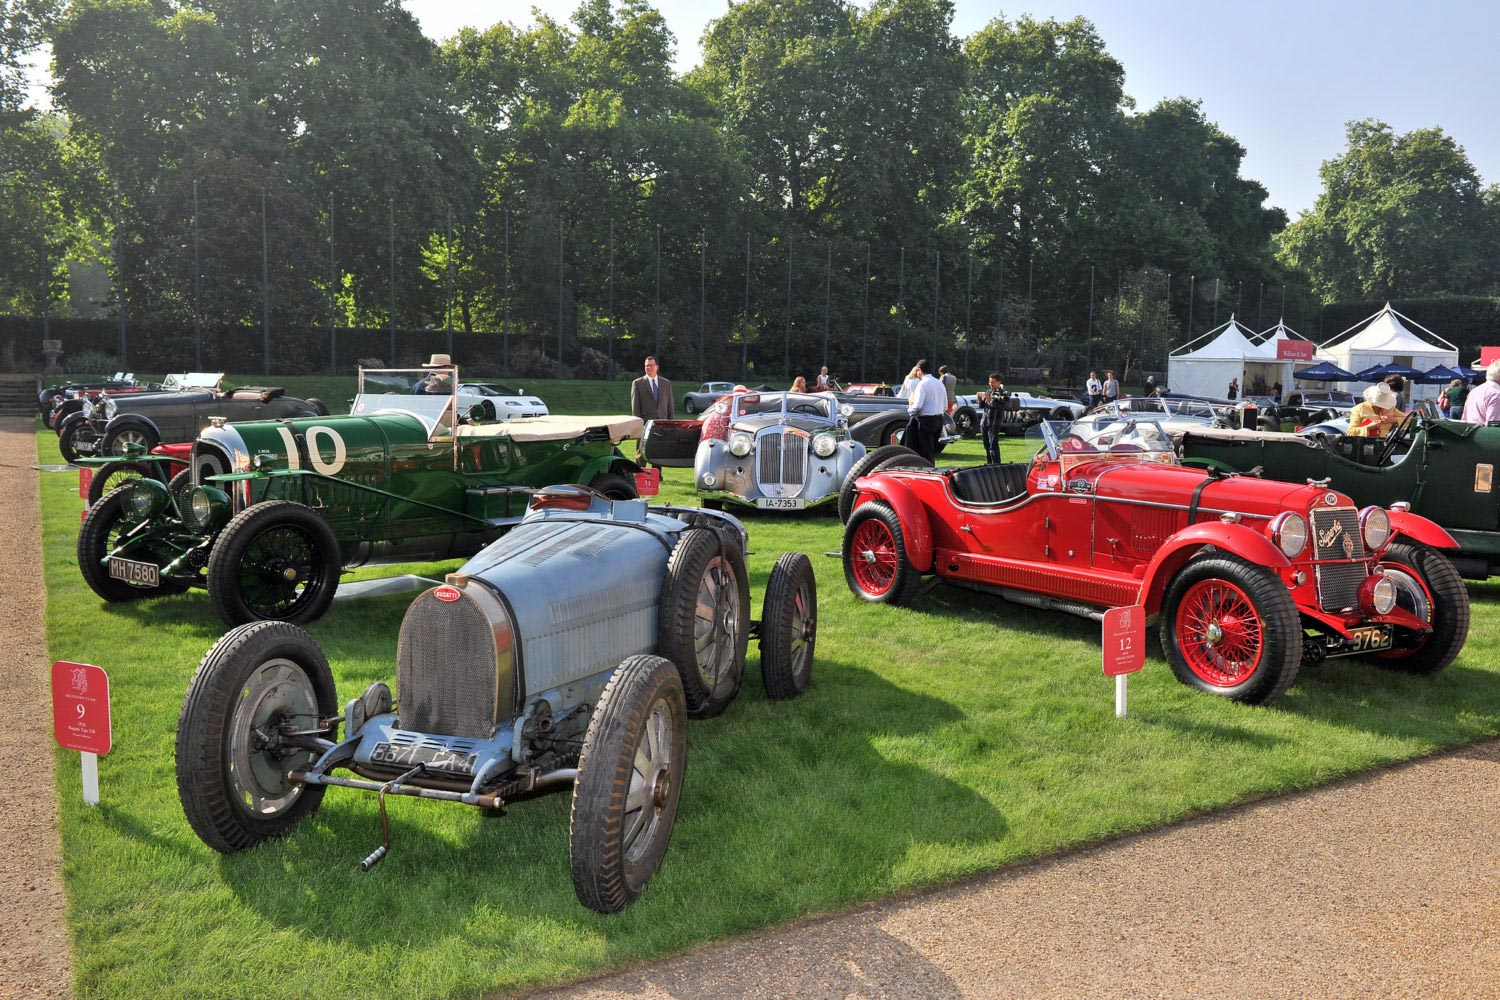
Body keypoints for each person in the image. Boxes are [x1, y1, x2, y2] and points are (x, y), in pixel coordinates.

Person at [904, 359, 947, 462]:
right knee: (930, 450)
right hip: (939, 419)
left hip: (926, 420)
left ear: (919, 370)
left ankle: (928, 473)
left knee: (925, 452)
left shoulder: (923, 383)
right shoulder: (939, 383)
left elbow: (918, 405)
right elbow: (945, 405)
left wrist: (909, 410)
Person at [630, 356, 674, 422]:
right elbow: (635, 408)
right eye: (647, 365)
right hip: (646, 423)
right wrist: (638, 424)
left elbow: (670, 406)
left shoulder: (666, 383)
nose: (649, 367)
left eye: (652, 365)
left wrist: (671, 423)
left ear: (657, 367)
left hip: (663, 423)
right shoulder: (637, 383)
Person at [976, 372, 1007, 465]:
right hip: (984, 421)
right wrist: (980, 399)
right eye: (989, 382)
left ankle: (996, 465)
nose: (991, 384)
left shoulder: (1003, 393)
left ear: (998, 382)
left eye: (993, 382)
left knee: (993, 445)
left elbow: (999, 406)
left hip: (994, 422)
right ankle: (989, 464)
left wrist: (989, 399)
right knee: (986, 445)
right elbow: (983, 406)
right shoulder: (989, 391)